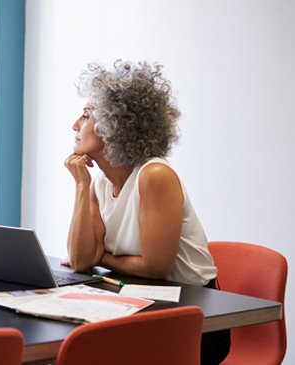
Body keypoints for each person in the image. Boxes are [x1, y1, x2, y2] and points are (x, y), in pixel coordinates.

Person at [64, 60, 230, 365]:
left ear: (115, 126)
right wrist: (80, 184)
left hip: (194, 321)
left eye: (86, 115)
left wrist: (101, 258)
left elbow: (155, 267)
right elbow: (80, 260)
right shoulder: (99, 182)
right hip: (139, 305)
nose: (75, 125)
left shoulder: (154, 176)